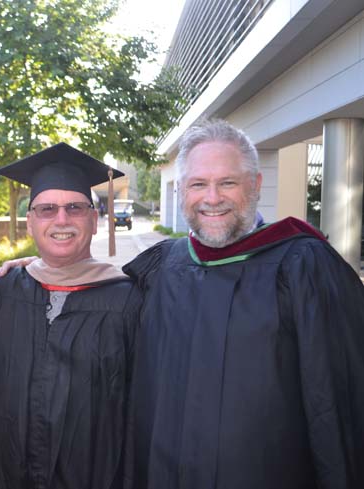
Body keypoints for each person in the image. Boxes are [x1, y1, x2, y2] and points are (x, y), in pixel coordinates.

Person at [122, 118, 364, 489]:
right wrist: (46, 269)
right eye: (198, 184)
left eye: (228, 183)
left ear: (255, 185)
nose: (212, 197)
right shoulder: (162, 268)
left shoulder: (303, 267)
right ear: (182, 191)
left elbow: (337, 404)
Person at [0, 143, 139, 489]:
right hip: (8, 476)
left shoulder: (129, 301)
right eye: (46, 209)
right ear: (30, 223)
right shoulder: (5, 292)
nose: (61, 219)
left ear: (93, 219)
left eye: (74, 208)